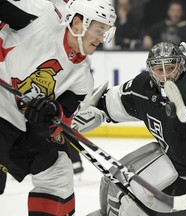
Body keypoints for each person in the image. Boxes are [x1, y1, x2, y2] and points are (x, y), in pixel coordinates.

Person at [77, 41, 186, 216]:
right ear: (150, 70)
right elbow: (108, 104)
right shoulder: (143, 88)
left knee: (131, 207)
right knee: (115, 186)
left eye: (170, 68)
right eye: (159, 70)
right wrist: (92, 111)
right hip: (175, 169)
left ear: (181, 66)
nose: (165, 76)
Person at [0, 0, 116, 215]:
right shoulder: (41, 17)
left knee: (57, 172)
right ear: (79, 23)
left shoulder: (82, 79)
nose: (102, 39)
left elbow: (59, 120)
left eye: (105, 32)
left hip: (16, 124)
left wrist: (50, 113)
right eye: (99, 30)